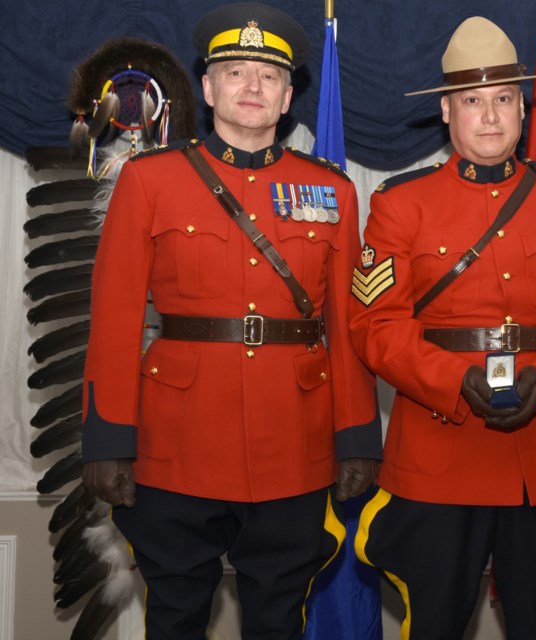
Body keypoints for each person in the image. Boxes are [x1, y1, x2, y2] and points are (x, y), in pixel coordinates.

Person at [78, 3, 382, 638]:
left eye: (269, 76)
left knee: (278, 618)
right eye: (236, 71)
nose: (252, 87)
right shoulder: (150, 180)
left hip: (291, 443)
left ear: (289, 97)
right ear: (209, 86)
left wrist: (356, 434)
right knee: (176, 615)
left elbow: (347, 325)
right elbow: (113, 319)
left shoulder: (332, 192)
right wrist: (108, 440)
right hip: (174, 446)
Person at [348, 16, 536, 640]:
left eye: (503, 99)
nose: (491, 116)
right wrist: (453, 378)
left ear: (523, 107)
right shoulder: (399, 204)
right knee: (435, 626)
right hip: (443, 450)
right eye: (473, 101)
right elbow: (374, 327)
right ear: (447, 110)